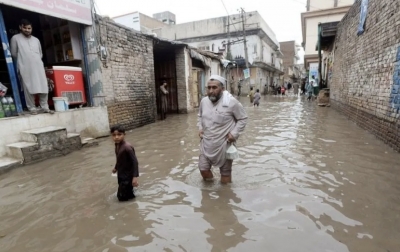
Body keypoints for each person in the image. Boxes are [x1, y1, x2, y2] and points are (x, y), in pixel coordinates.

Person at [198, 75, 248, 184]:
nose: (211, 91)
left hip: (224, 144)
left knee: (225, 175)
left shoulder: (232, 102)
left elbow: (242, 118)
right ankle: (210, 190)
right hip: (206, 143)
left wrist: (234, 134)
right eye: (209, 87)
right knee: (203, 170)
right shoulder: (204, 102)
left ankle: (224, 196)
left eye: (214, 87)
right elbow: (200, 116)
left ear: (222, 89)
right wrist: (200, 128)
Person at [10, 19, 53, 115]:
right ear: (20, 27)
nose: (27, 30)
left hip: (38, 66)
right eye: (25, 28)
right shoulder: (15, 38)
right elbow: (13, 54)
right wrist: (26, 59)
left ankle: (45, 107)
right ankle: (32, 108)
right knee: (28, 87)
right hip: (25, 66)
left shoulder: (36, 40)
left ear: (31, 28)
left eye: (29, 28)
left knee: (43, 86)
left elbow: (40, 54)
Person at [111, 124, 139, 202]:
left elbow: (135, 162)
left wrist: (135, 177)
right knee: (126, 194)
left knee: (121, 197)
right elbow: (119, 158)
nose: (116, 137)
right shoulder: (117, 144)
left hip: (127, 176)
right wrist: (116, 168)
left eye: (119, 134)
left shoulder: (127, 147)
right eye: (114, 135)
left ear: (124, 134)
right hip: (121, 173)